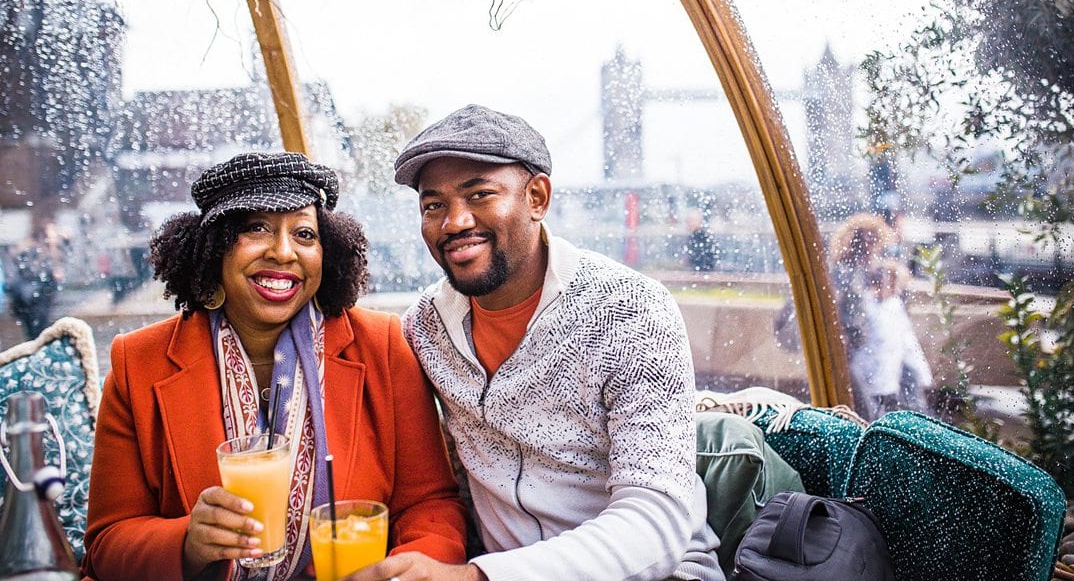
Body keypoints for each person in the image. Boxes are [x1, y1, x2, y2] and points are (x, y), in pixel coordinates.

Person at [352, 105, 724, 581]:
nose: (454, 222)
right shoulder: (426, 327)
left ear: (537, 197)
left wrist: (479, 577)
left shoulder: (629, 310)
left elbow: (658, 522)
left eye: (480, 194)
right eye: (433, 205)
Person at [82, 152, 467, 581]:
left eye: (304, 233)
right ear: (212, 248)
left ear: (327, 251)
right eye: (256, 228)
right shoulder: (138, 363)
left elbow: (430, 504)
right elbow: (105, 545)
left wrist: (405, 568)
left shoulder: (384, 346)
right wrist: (187, 543)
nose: (283, 252)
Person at [827, 212, 895, 419]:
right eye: (868, 240)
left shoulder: (859, 272)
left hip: (857, 350)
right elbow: (839, 309)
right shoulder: (845, 272)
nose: (872, 247)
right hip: (847, 350)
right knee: (862, 410)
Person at [851, 258, 934, 418]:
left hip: (888, 380)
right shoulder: (864, 305)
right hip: (866, 378)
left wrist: (923, 374)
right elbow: (860, 343)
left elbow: (908, 342)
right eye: (894, 285)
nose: (897, 291)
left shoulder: (894, 305)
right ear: (881, 282)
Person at [6, 223, 65, 340]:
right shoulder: (33, 250)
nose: (55, 236)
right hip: (33, 300)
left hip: (39, 299)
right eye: (52, 232)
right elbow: (29, 272)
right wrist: (51, 273)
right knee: (36, 334)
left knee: (37, 333)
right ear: (43, 234)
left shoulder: (48, 250)